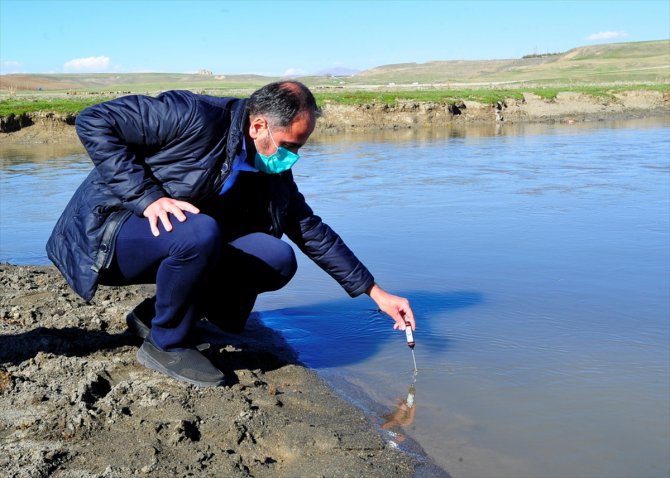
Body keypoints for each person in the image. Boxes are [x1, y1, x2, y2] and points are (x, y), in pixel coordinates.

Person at [47, 81, 415, 387]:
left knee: (275, 258)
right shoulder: (193, 115)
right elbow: (94, 119)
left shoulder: (270, 168)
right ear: (258, 126)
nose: (293, 158)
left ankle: (154, 317)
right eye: (290, 146)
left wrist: (374, 292)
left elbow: (308, 228)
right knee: (200, 231)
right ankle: (166, 344)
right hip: (107, 236)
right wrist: (147, 199)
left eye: (300, 149)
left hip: (176, 240)